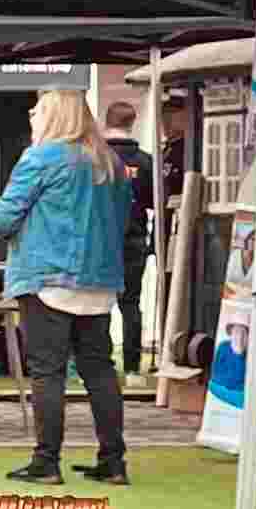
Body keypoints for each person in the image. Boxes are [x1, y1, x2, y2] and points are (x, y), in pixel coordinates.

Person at [0, 88, 133, 486]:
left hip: (47, 277)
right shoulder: (112, 163)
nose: (32, 117)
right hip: (99, 282)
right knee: (100, 371)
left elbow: (4, 219)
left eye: (37, 111)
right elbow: (124, 222)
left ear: (52, 117)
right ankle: (113, 461)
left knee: (47, 372)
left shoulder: (42, 157)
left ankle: (46, 461)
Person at [104, 98, 157, 382]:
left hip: (98, 240)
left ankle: (100, 363)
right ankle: (134, 367)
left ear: (107, 121)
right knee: (131, 304)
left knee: (97, 303)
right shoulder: (145, 161)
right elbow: (152, 202)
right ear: (131, 123)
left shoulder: (93, 157)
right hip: (134, 238)